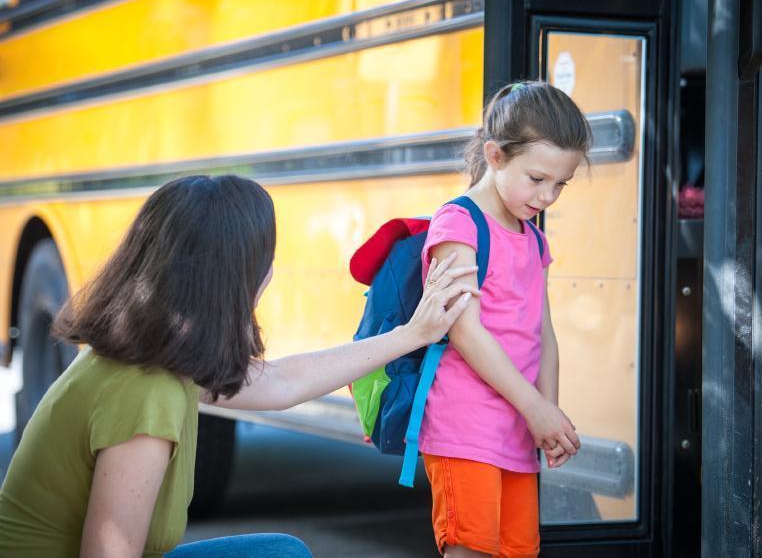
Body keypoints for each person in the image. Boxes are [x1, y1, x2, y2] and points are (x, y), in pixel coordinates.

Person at [0, 174, 480, 558]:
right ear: (234, 279)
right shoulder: (146, 393)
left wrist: (410, 335)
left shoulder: (157, 355)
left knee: (279, 552)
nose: (270, 273)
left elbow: (281, 381)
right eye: (264, 260)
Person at [417, 81, 589, 558]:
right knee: (471, 549)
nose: (549, 195)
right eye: (537, 179)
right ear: (494, 155)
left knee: (518, 550)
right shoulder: (459, 224)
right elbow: (465, 331)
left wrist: (547, 414)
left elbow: (543, 334)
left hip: (518, 430)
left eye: (561, 184)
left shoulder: (533, 238)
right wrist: (535, 409)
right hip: (465, 427)